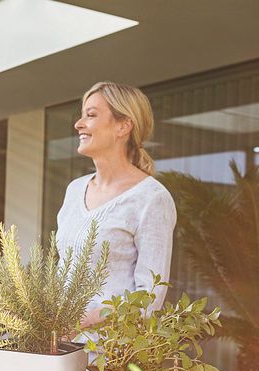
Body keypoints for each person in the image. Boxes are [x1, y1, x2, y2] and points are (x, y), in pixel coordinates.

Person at [56, 81, 176, 328]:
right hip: (57, 347)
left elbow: (149, 299)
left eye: (91, 115)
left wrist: (85, 320)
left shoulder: (151, 198)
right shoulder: (75, 190)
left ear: (123, 126)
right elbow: (62, 272)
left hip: (109, 357)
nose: (78, 124)